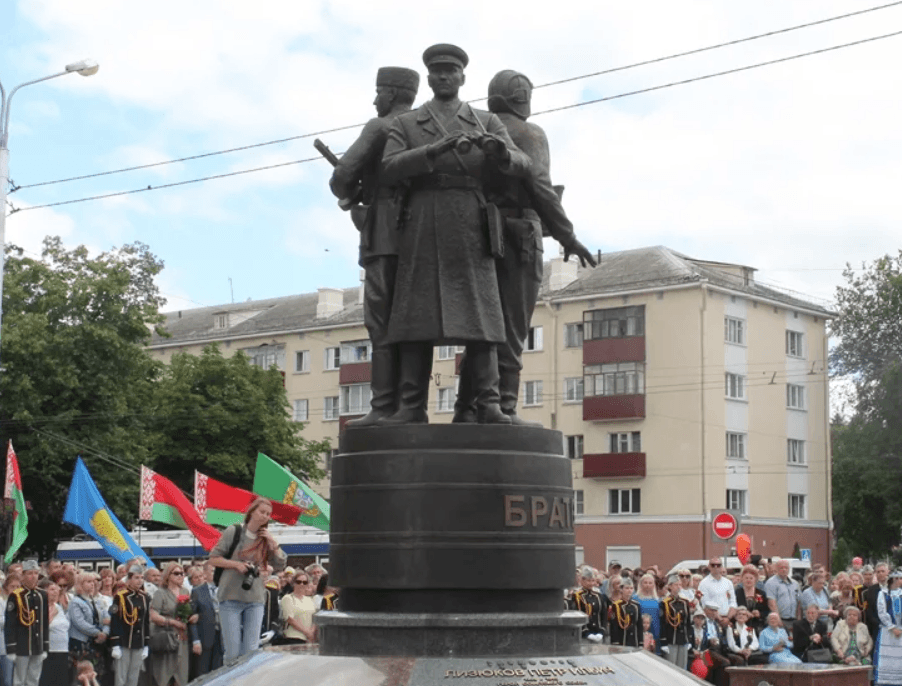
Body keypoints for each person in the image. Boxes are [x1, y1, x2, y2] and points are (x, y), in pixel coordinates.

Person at [379, 43, 531, 425]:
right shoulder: (407, 123)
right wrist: (432, 151)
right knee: (416, 316)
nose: (444, 76)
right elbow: (389, 168)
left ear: (463, 77)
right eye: (438, 71)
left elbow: (523, 162)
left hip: (470, 221)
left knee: (483, 317)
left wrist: (499, 152)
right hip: (423, 219)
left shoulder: (484, 120)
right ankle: (412, 406)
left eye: (451, 71)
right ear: (429, 77)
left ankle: (490, 403)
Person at [452, 68, 595, 424]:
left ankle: (467, 410)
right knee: (512, 328)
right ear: (521, 98)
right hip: (519, 236)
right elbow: (540, 187)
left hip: (476, 235)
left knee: (480, 327)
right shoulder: (528, 133)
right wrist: (568, 235)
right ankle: (505, 407)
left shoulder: (470, 129)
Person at [328, 66, 420, 426]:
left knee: (379, 321)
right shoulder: (423, 125)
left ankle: (383, 405)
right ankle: (413, 407)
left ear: (394, 94)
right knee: (413, 323)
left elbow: (342, 177)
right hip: (421, 236)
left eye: (379, 91)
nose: (375, 99)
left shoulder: (379, 126)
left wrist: (355, 192)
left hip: (383, 233)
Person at [209, 498, 286, 663]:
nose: (264, 516)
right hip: (230, 596)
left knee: (251, 651)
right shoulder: (234, 531)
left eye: (268, 514)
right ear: (252, 511)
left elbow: (281, 564)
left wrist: (273, 543)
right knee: (232, 652)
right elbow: (213, 558)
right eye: (261, 512)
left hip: (255, 598)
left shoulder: (265, 539)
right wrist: (236, 565)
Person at [148, 563, 195, 686]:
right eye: (176, 573)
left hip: (182, 638)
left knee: (181, 676)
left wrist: (194, 616)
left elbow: (189, 612)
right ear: (168, 576)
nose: (180, 576)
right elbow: (153, 615)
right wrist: (172, 622)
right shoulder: (160, 593)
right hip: (167, 638)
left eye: (182, 573)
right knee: (164, 676)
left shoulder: (185, 591)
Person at [6, 561, 49, 686]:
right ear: (23, 575)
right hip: (21, 645)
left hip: (37, 645)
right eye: (30, 573)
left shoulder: (42, 595)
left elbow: (44, 623)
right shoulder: (16, 595)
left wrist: (45, 646)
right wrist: (11, 648)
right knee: (19, 680)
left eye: (36, 573)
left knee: (34, 679)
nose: (34, 576)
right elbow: (10, 623)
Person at [108, 566, 149, 686]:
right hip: (124, 640)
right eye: (136, 578)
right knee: (121, 677)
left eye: (142, 578)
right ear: (129, 579)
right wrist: (115, 644)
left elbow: (145, 621)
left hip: (138, 642)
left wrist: (146, 644)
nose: (140, 581)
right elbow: (115, 620)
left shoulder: (145, 597)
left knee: (134, 676)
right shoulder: (120, 597)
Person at [68, 573, 109, 682]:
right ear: (80, 584)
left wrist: (105, 633)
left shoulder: (98, 601)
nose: (92, 584)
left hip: (97, 644)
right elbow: (80, 623)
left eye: (93, 582)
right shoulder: (75, 602)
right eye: (88, 582)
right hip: (81, 644)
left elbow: (107, 619)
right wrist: (97, 633)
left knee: (96, 674)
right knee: (82, 675)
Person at [188, 562, 222, 679]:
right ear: (205, 574)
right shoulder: (197, 591)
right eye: (213, 571)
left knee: (219, 671)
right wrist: (196, 640)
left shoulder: (224, 589)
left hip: (222, 637)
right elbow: (192, 618)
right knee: (203, 673)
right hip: (205, 637)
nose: (216, 574)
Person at [36, 580, 69, 686]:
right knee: (47, 680)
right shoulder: (40, 606)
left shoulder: (58, 607)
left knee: (61, 681)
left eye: (57, 590)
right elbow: (40, 626)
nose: (55, 592)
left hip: (62, 650)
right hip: (48, 651)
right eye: (52, 589)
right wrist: (52, 614)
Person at [874, 569, 902, 685]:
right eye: (900, 579)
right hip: (887, 631)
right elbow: (881, 611)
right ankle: (884, 682)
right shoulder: (883, 593)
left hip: (901, 631)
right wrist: (892, 627)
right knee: (886, 659)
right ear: (894, 580)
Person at [659, 575, 691, 669]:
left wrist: (689, 638)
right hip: (671, 638)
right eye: (676, 584)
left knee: (682, 667)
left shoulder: (684, 602)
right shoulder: (665, 603)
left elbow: (688, 622)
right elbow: (663, 623)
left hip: (683, 638)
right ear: (670, 586)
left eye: (680, 584)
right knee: (671, 667)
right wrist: (663, 641)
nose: (678, 587)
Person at [567, 566, 606, 642]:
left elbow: (603, 614)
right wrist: (586, 632)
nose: (591, 583)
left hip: (598, 632)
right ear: (582, 580)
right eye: (589, 581)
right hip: (584, 635)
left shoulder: (598, 596)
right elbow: (576, 616)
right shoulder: (577, 596)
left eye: (593, 581)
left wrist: (602, 631)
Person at [278, 572, 316, 645]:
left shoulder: (310, 599)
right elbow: (290, 619)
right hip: (293, 637)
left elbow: (314, 618)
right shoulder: (288, 598)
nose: (302, 584)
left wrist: (311, 633)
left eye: (305, 582)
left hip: (309, 639)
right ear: (293, 583)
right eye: (298, 582)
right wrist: (307, 633)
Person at [765, 559, 801, 632]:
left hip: (794, 620)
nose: (784, 569)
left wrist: (799, 619)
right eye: (781, 568)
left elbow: (799, 602)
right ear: (777, 569)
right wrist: (778, 620)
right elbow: (772, 603)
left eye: (786, 567)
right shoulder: (771, 583)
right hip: (780, 620)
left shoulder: (795, 584)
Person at [0, 574, 21, 686]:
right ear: (6, 588)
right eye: (13, 586)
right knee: (7, 681)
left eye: (18, 586)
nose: (16, 589)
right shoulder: (1, 602)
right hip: (4, 649)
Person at [734, 564, 767, 634]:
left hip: (757, 627)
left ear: (755, 579)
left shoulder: (761, 593)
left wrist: (759, 614)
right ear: (742, 579)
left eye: (751, 578)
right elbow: (733, 608)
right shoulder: (737, 593)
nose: (748, 580)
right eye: (746, 578)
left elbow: (766, 610)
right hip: (740, 626)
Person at [608, 577, 640, 647]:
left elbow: (639, 624)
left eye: (631, 588)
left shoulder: (636, 605)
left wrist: (640, 642)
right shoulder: (616, 605)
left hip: (634, 640)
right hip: (622, 639)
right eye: (627, 588)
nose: (629, 591)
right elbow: (614, 625)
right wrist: (615, 642)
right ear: (621, 589)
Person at [633, 574, 660, 653]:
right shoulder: (635, 598)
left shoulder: (657, 599)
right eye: (645, 583)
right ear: (641, 584)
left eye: (650, 583)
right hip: (641, 630)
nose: (648, 585)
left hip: (655, 629)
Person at [867, 562, 891, 642]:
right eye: (878, 572)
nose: (880, 574)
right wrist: (880, 625)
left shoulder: (896, 588)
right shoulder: (871, 590)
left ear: (888, 572)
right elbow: (870, 611)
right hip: (877, 628)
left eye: (883, 571)